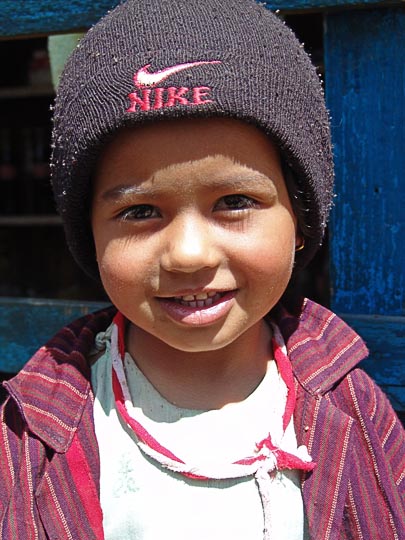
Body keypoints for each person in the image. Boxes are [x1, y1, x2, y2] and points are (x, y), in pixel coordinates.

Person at [0, 1, 404, 538]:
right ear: (90, 234)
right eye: (140, 211)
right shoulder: (31, 430)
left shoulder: (354, 411)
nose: (189, 254)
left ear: (302, 221)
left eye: (235, 201)